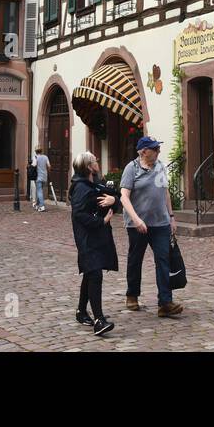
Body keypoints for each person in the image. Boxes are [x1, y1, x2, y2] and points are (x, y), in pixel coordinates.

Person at [120, 136, 182, 318]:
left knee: (163, 260)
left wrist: (171, 217)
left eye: (158, 148)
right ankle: (132, 294)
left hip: (160, 223)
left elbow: (165, 192)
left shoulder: (160, 166)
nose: (158, 151)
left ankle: (165, 303)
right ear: (143, 151)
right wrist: (136, 220)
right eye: (155, 149)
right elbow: (124, 196)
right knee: (135, 259)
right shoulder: (131, 168)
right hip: (137, 225)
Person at [69, 151, 119, 336]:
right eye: (95, 161)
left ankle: (81, 311)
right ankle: (99, 320)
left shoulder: (96, 182)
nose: (98, 162)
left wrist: (114, 200)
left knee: (90, 273)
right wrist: (101, 221)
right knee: (95, 273)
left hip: (98, 236)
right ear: (89, 166)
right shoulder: (82, 188)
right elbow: (79, 214)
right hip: (87, 237)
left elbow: (112, 198)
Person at [32, 146, 51, 212]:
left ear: (36, 152)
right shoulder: (45, 157)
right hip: (44, 176)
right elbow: (49, 166)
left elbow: (34, 165)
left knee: (39, 191)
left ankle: (42, 206)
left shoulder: (35, 157)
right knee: (39, 190)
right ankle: (37, 205)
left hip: (38, 176)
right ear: (41, 151)